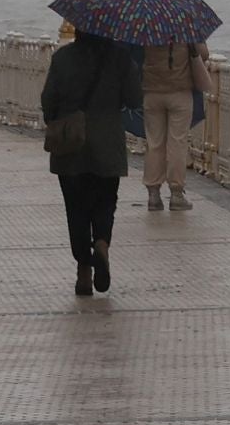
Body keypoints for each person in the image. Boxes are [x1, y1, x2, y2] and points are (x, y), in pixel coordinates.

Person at [40, 31, 142, 296]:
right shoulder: (121, 58)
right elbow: (134, 99)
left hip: (72, 143)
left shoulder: (63, 58)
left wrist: (57, 119)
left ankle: (84, 272)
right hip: (107, 143)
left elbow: (48, 100)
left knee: (76, 208)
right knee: (106, 201)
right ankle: (102, 245)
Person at [141, 40, 208, 211]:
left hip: (152, 93)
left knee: (154, 143)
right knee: (177, 142)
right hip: (180, 92)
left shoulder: (147, 29)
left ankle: (153, 195)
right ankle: (176, 193)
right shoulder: (185, 27)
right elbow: (204, 54)